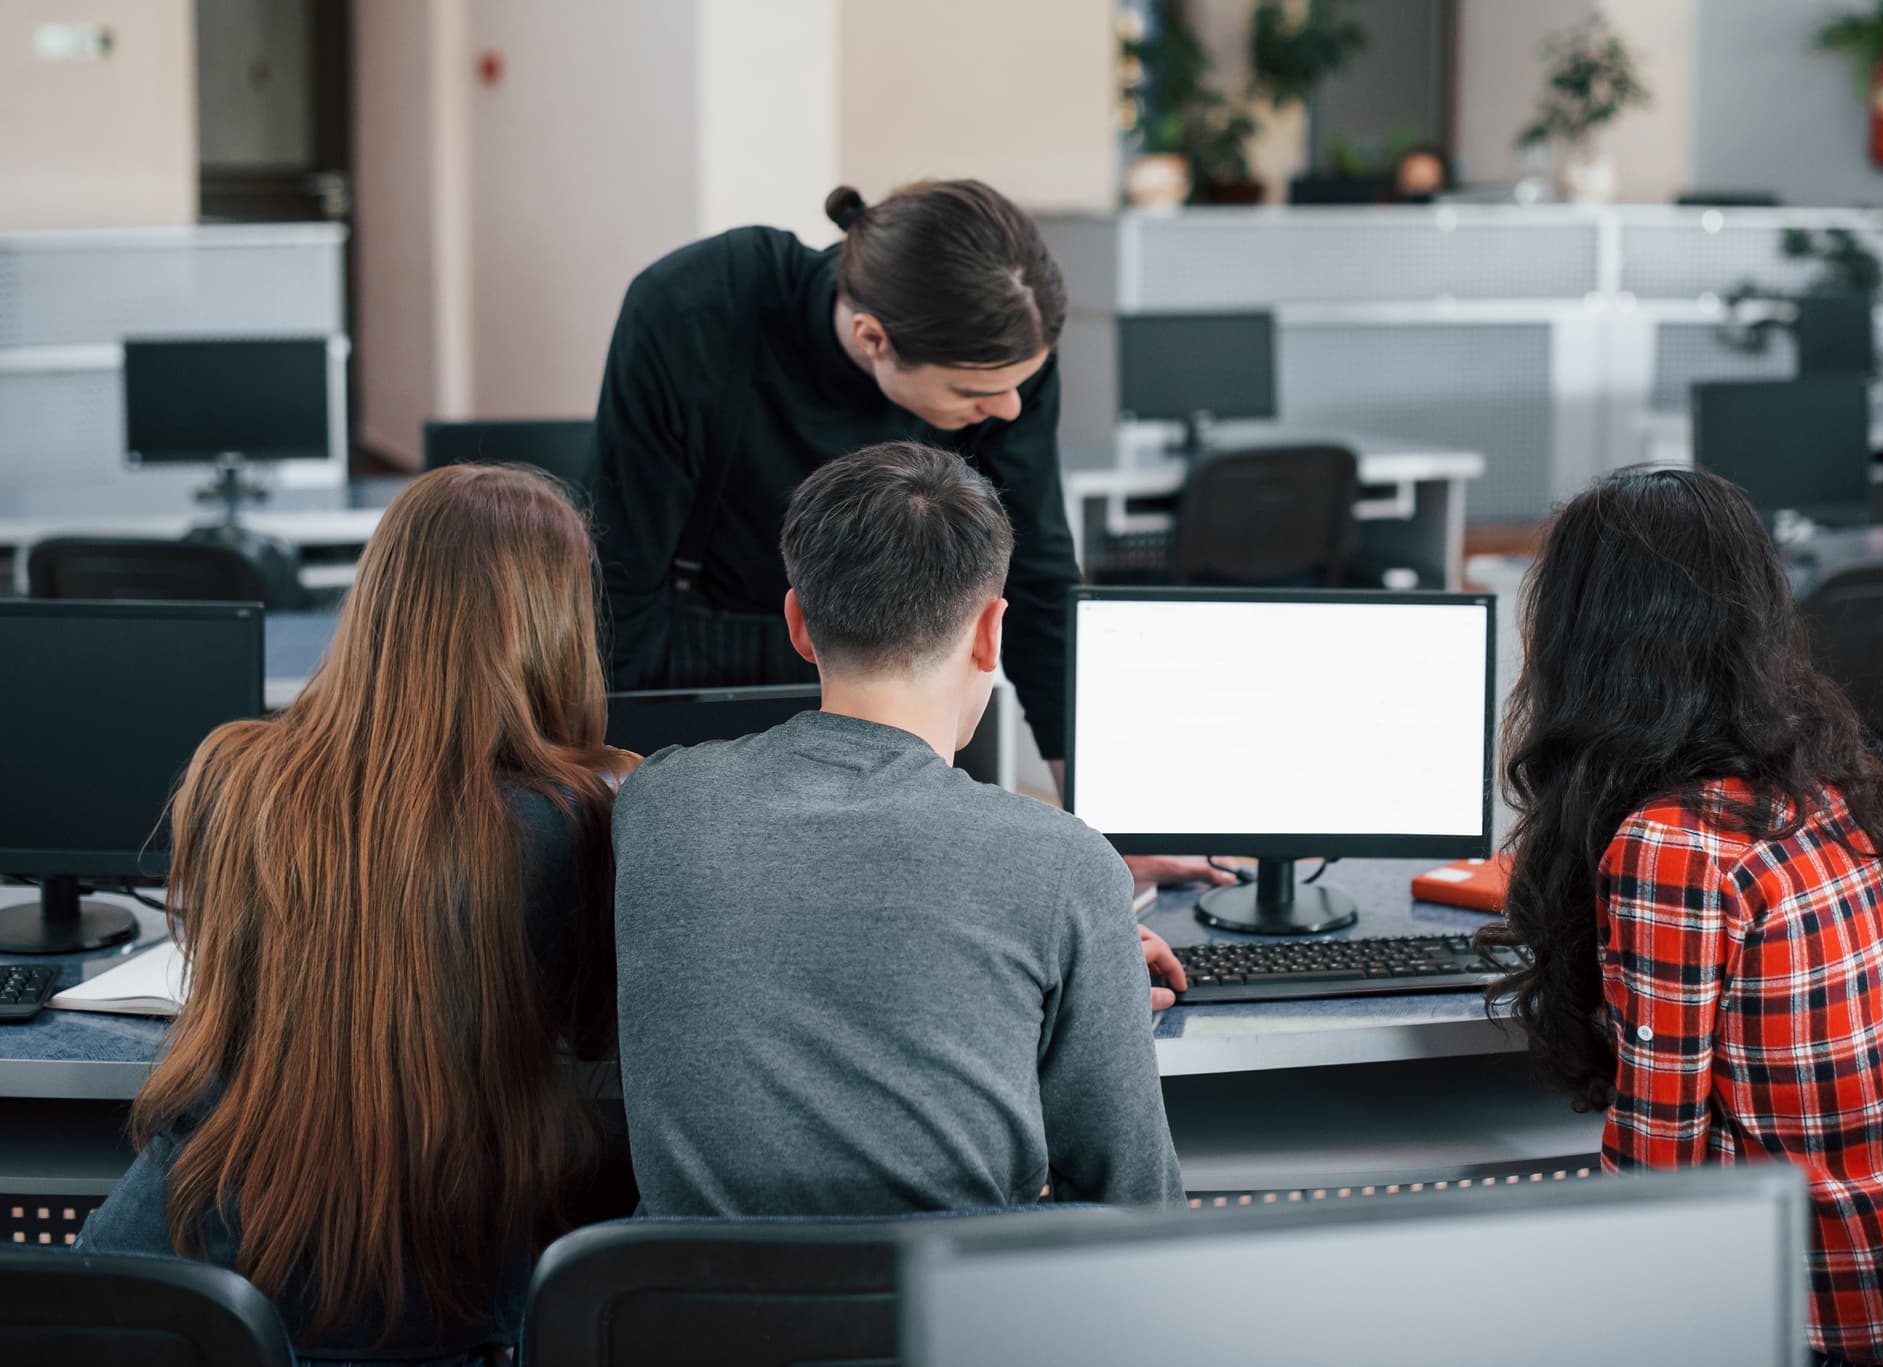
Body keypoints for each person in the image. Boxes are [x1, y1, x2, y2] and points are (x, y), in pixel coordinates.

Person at [76, 465, 630, 1366]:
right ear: (554, 625)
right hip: (440, 1304)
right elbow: (601, 1037)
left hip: (191, 1276)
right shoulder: (576, 817)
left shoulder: (236, 774)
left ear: (381, 595)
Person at [588, 177, 1223, 889]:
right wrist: (622, 813)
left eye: (1022, 383)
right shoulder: (694, 309)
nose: (1009, 409)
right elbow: (619, 578)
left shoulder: (1001, 353)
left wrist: (1103, 823)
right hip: (712, 671)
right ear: (873, 338)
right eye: (976, 394)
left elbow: (1041, 577)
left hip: (912, 690)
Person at [613, 441, 1185, 1217]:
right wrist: (1088, 977)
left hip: (683, 1322)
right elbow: (1136, 1205)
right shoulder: (1061, 864)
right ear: (992, 631)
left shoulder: (656, 803)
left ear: (798, 624)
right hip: (957, 1327)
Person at [1480, 466, 1883, 1367]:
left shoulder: (1678, 844)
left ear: (1583, 639)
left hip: (1816, 1320)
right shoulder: (1820, 789)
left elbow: (1658, 1180)